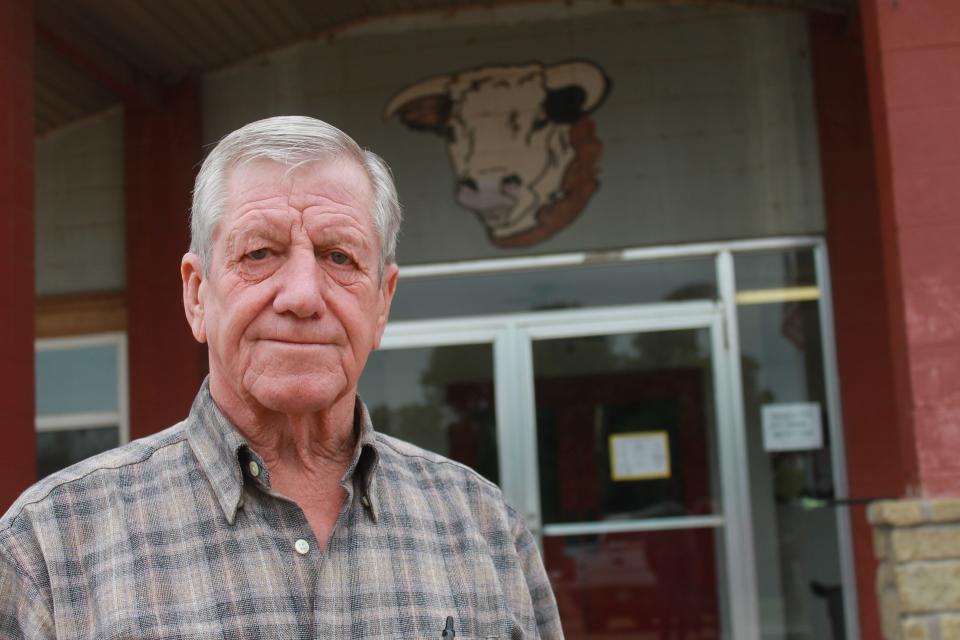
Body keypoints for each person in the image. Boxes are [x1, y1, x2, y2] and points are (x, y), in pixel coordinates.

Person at [0, 116, 563, 639]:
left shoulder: (485, 529)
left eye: (339, 257)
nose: (301, 295)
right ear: (197, 294)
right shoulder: (48, 546)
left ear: (382, 303)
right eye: (261, 253)